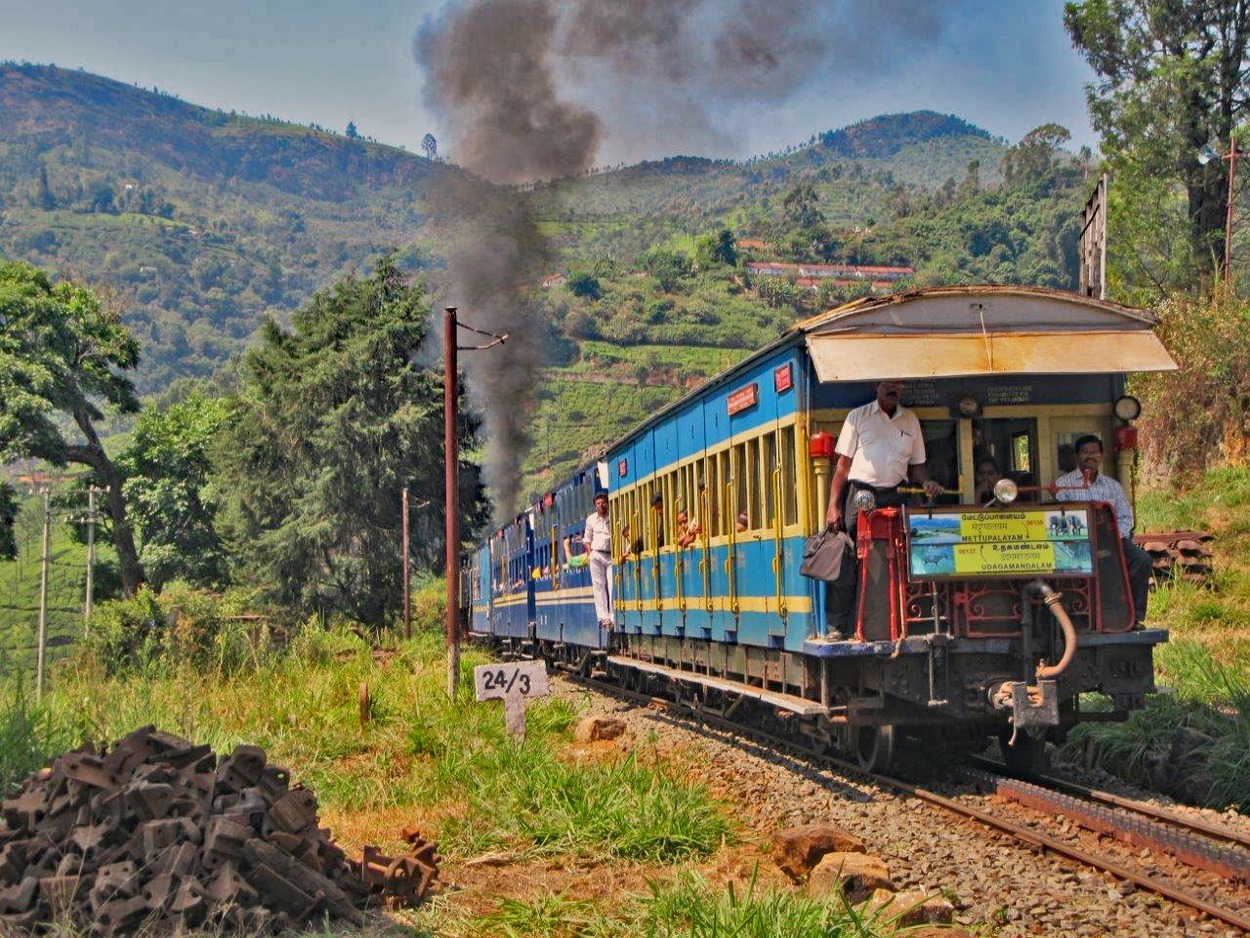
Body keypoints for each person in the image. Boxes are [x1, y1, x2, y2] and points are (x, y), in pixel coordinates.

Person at [824, 380, 943, 636]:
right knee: (849, 555)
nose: (893, 389)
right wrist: (832, 506)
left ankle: (908, 619)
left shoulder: (910, 420)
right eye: (888, 385)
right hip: (861, 494)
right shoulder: (858, 417)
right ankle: (839, 625)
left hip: (897, 493)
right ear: (877, 387)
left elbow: (917, 466)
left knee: (906, 554)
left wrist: (927, 482)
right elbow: (842, 466)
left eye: (898, 385)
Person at [1053, 434, 1152, 625]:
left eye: (1094, 452)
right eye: (1085, 453)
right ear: (1077, 456)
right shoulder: (1062, 485)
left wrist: (1116, 538)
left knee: (1142, 560)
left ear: (1101, 455)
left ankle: (1133, 615)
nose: (1090, 456)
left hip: (1112, 539)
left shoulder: (1113, 486)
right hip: (1076, 544)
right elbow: (1058, 520)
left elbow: (1125, 516)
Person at [583, 491, 614, 628]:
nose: (601, 506)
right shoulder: (591, 520)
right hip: (597, 554)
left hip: (610, 554)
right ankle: (603, 616)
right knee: (599, 586)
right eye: (598, 503)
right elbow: (587, 539)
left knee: (612, 584)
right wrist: (590, 554)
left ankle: (613, 615)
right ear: (595, 506)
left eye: (603, 503)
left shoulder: (612, 516)